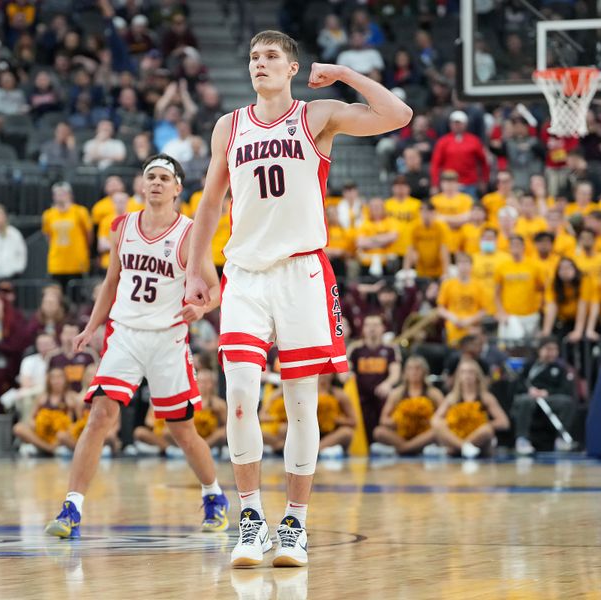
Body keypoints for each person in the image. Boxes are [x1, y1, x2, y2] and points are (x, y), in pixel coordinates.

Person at [183, 30, 412, 567]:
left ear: (291, 68)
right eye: (253, 58)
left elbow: (398, 114)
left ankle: (294, 524)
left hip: (302, 271)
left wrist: (346, 76)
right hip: (243, 272)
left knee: (300, 402)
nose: (258, 64)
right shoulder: (229, 126)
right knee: (239, 390)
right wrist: (197, 267)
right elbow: (211, 202)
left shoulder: (317, 116)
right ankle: (251, 520)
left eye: (269, 57)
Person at [45, 154, 229, 540]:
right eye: (151, 177)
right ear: (142, 185)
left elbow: (216, 287)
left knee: (182, 432)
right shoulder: (123, 226)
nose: (157, 183)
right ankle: (71, 507)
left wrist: (203, 307)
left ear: (178, 188)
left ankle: (214, 494)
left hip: (168, 339)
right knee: (100, 416)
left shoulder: (190, 233)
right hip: (124, 334)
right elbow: (112, 282)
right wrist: (91, 326)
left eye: (165, 177)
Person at [431, 359, 509, 458]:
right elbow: (435, 420)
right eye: (463, 372)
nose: (467, 375)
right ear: (459, 376)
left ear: (477, 376)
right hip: (458, 435)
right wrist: (451, 423)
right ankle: (464, 447)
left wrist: (482, 424)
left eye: (471, 372)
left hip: (479, 440)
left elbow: (504, 422)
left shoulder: (485, 397)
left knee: (487, 430)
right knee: (438, 424)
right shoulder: (453, 397)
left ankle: (456, 449)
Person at [511, 337, 576, 455]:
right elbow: (518, 383)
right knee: (525, 401)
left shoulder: (560, 369)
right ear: (540, 350)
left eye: (555, 349)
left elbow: (565, 389)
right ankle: (522, 440)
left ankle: (561, 439)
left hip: (549, 398)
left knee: (566, 402)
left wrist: (547, 392)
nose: (552, 353)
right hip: (530, 397)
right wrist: (530, 390)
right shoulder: (530, 365)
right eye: (548, 349)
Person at [371, 356, 445, 456]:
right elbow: (383, 419)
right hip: (402, 435)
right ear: (405, 372)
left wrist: (427, 421)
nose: (414, 372)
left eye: (418, 368)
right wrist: (399, 421)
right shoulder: (397, 393)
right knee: (378, 432)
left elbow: (445, 418)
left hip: (424, 434)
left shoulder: (434, 393)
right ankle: (414, 449)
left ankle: (401, 449)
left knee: (437, 432)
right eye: (410, 368)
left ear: (424, 371)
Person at [41, 182, 93, 291]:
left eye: (63, 193)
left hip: (77, 262)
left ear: (70, 195)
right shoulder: (48, 214)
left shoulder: (80, 211)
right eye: (57, 194)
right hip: (57, 263)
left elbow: (89, 234)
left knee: (77, 295)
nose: (60, 196)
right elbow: (48, 236)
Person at [495, 235, 545, 342]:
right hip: (510, 316)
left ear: (523, 247)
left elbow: (543, 289)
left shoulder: (534, 266)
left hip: (531, 315)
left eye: (518, 244)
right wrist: (501, 312)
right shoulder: (502, 267)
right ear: (508, 247)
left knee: (532, 346)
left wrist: (540, 307)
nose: (515, 247)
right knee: (511, 346)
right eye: (512, 244)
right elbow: (497, 293)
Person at [437, 253, 488, 346]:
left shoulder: (479, 286)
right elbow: (440, 308)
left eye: (466, 263)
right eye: (460, 263)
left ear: (471, 266)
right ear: (456, 265)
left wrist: (469, 320)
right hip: (452, 327)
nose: (463, 266)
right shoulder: (448, 284)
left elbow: (484, 310)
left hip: (472, 328)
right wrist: (453, 318)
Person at [541, 258, 592, 342]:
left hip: (583, 319)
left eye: (568, 268)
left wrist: (578, 331)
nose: (565, 271)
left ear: (575, 269)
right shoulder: (553, 283)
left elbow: (582, 305)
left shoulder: (584, 280)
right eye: (562, 269)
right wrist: (546, 331)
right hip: (564, 320)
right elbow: (551, 307)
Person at [48, 323, 97, 393]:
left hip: (84, 394)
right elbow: (48, 380)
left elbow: (95, 377)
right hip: (61, 397)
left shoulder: (89, 354)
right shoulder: (53, 356)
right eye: (67, 333)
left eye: (73, 334)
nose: (69, 337)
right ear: (60, 335)